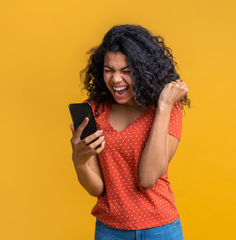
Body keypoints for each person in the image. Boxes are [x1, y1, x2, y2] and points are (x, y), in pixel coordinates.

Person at [69, 24, 190, 240]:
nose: (116, 80)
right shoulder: (95, 110)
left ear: (145, 71)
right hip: (110, 230)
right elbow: (97, 189)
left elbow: (148, 177)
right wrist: (79, 161)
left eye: (126, 71)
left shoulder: (168, 108)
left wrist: (163, 106)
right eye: (109, 70)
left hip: (161, 229)